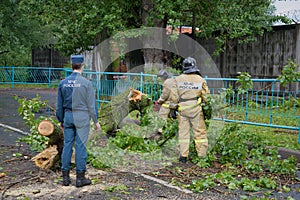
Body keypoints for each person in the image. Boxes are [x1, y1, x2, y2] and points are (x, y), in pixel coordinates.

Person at [56, 54, 101, 187]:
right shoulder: (87, 83)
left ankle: (65, 178)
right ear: (83, 66)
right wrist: (96, 121)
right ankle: (80, 178)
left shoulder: (63, 83)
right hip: (82, 117)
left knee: (67, 145)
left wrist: (61, 120)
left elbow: (59, 105)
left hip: (68, 116)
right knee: (81, 146)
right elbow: (91, 105)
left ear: (72, 66)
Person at [175, 57, 210, 163]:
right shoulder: (200, 80)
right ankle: (202, 156)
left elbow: (173, 96)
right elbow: (206, 97)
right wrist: (208, 107)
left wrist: (172, 109)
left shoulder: (178, 79)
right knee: (200, 133)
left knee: (183, 134)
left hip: (182, 110)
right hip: (195, 109)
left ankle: (183, 156)